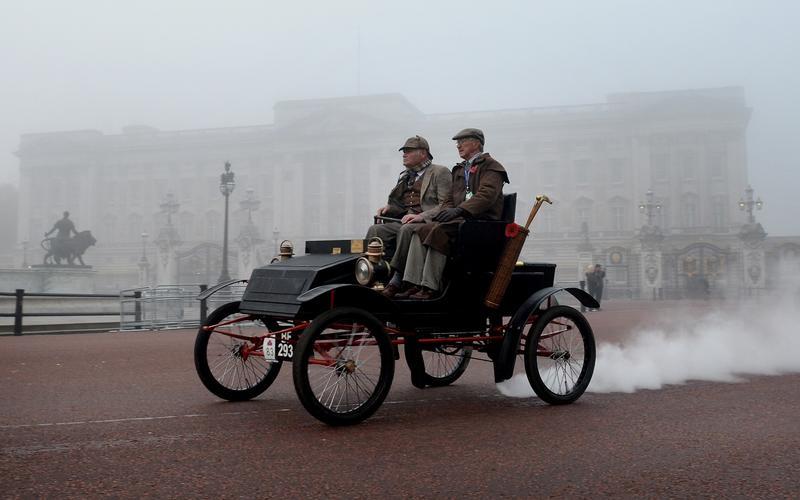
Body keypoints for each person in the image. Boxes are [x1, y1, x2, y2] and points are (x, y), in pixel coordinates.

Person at [394, 128, 509, 300]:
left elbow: (486, 196)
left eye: (462, 142)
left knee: (438, 232)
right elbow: (449, 198)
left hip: (481, 223)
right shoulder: (459, 170)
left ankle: (429, 286)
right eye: (457, 143)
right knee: (420, 230)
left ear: (476, 143)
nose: (458, 146)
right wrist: (448, 211)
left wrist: (460, 210)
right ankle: (413, 283)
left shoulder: (491, 166)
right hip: (461, 221)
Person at [365, 136, 451, 297]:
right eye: (404, 152)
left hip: (428, 223)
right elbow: (401, 206)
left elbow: (446, 204)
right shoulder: (405, 176)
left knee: (406, 230)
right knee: (376, 230)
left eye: (409, 151)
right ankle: (371, 275)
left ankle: (396, 280)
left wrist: (422, 216)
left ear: (423, 153)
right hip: (405, 220)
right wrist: (388, 209)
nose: (404, 155)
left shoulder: (440, 172)